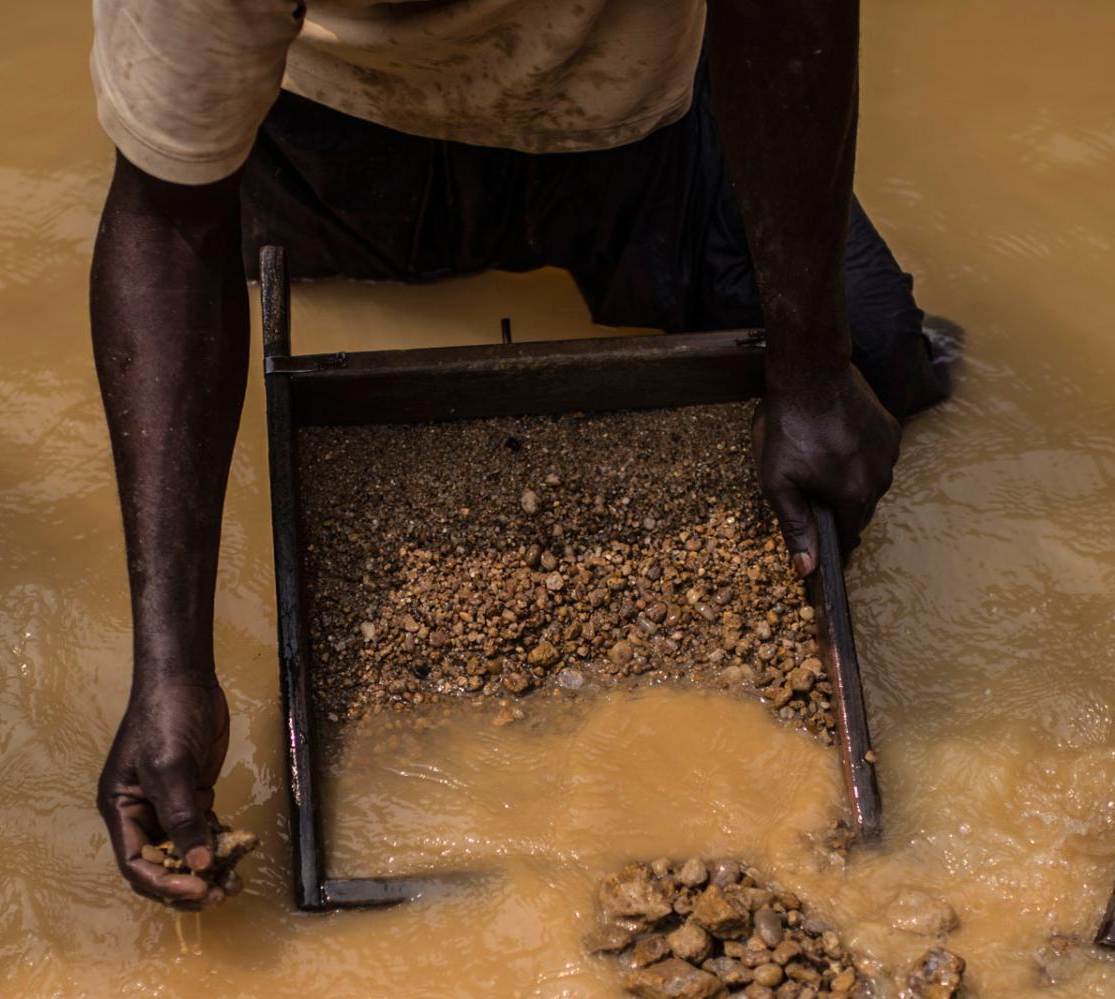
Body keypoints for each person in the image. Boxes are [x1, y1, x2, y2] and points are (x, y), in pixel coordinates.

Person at [89, 0, 954, 907]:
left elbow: (788, 22)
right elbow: (165, 213)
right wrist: (172, 666)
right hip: (333, 144)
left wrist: (813, 367)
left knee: (887, 357)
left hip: (629, 124)